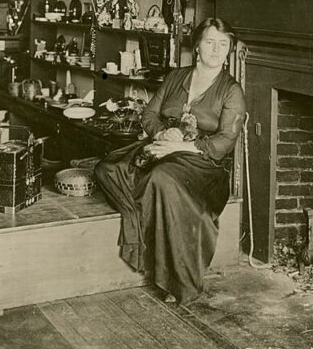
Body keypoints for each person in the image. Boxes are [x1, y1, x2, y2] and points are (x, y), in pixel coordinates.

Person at [94, 17, 246, 306]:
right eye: (210, 42)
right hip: (164, 143)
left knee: (161, 178)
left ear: (228, 51)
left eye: (223, 45)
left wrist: (181, 147)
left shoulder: (231, 90)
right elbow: (149, 115)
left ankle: (178, 281)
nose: (216, 50)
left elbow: (224, 142)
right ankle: (137, 227)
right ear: (197, 46)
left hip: (204, 165)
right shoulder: (176, 76)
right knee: (108, 168)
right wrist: (163, 133)